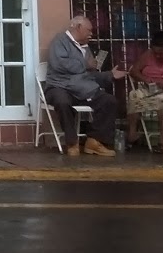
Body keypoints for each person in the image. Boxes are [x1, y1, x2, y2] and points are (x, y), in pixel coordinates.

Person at [44, 15, 125, 157]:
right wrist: (85, 64)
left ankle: (94, 141)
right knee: (62, 102)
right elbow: (59, 64)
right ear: (78, 27)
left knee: (109, 101)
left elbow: (87, 75)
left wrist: (109, 75)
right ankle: (72, 142)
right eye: (89, 30)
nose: (91, 34)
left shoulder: (85, 48)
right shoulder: (60, 41)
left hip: (81, 89)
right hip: (59, 86)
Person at [127, 31, 163, 143]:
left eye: (161, 53)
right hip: (150, 89)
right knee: (133, 95)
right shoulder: (148, 55)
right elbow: (134, 71)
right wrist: (145, 79)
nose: (157, 56)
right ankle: (132, 133)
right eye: (155, 53)